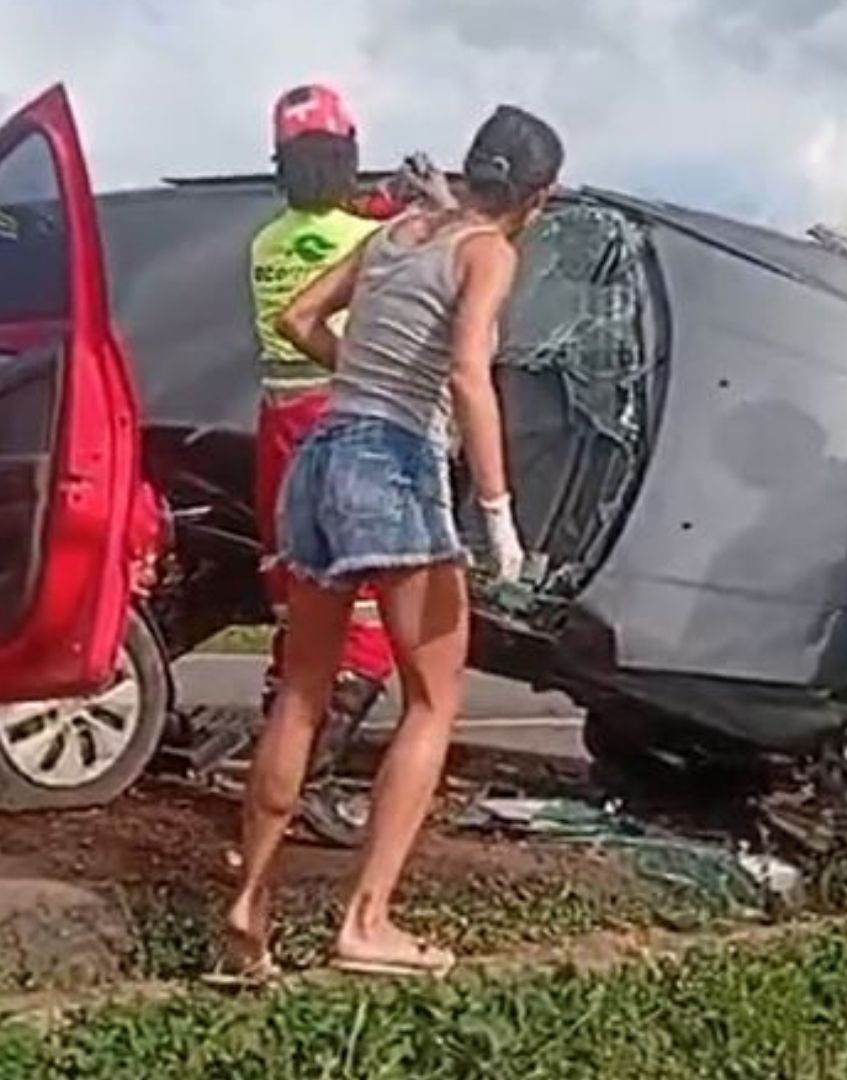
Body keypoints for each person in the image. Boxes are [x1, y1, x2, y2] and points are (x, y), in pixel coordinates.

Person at [221, 105, 559, 980]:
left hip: (324, 453)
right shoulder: (490, 250)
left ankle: (247, 914)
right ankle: (366, 921)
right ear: (539, 195)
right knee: (432, 699)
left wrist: (364, 375)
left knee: (301, 691)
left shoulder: (401, 229)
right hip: (396, 463)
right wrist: (498, 514)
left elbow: (299, 319)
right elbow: (465, 373)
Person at [247, 85, 454, 835]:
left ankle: (276, 766)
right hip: (336, 419)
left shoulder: (268, 241)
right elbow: (427, 252)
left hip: (277, 424)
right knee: (367, 622)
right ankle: (313, 783)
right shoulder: (358, 242)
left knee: (299, 609)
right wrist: (430, 204)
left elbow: (336, 225)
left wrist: (381, 202)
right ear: (346, 156)